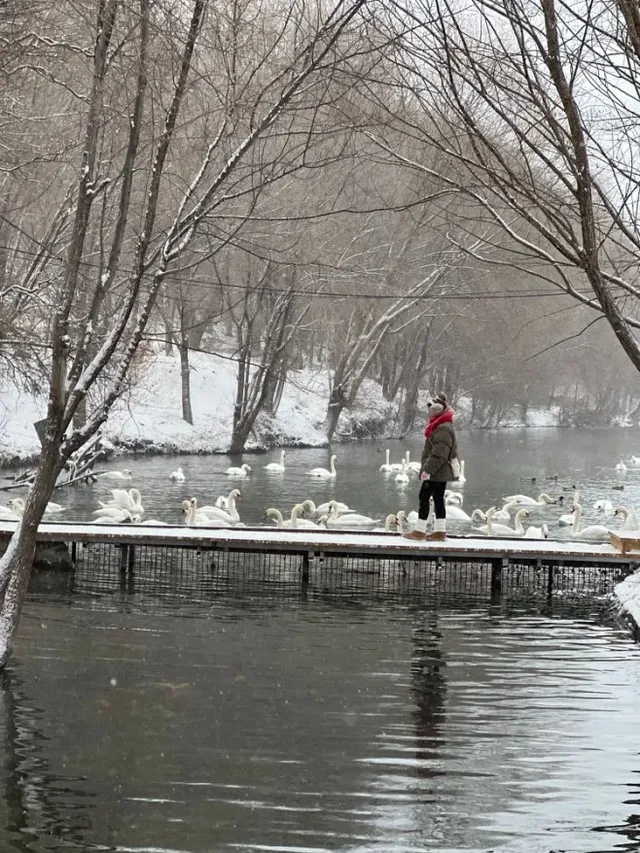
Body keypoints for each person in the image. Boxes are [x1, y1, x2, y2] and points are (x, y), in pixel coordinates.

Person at [405, 392, 459, 542]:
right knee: (438, 498)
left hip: (436, 471)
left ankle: (420, 531)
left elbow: (439, 454)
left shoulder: (442, 429)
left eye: (431, 410)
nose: (429, 413)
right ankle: (440, 531)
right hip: (440, 471)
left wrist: (427, 470)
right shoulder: (441, 425)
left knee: (424, 497)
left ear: (436, 410)